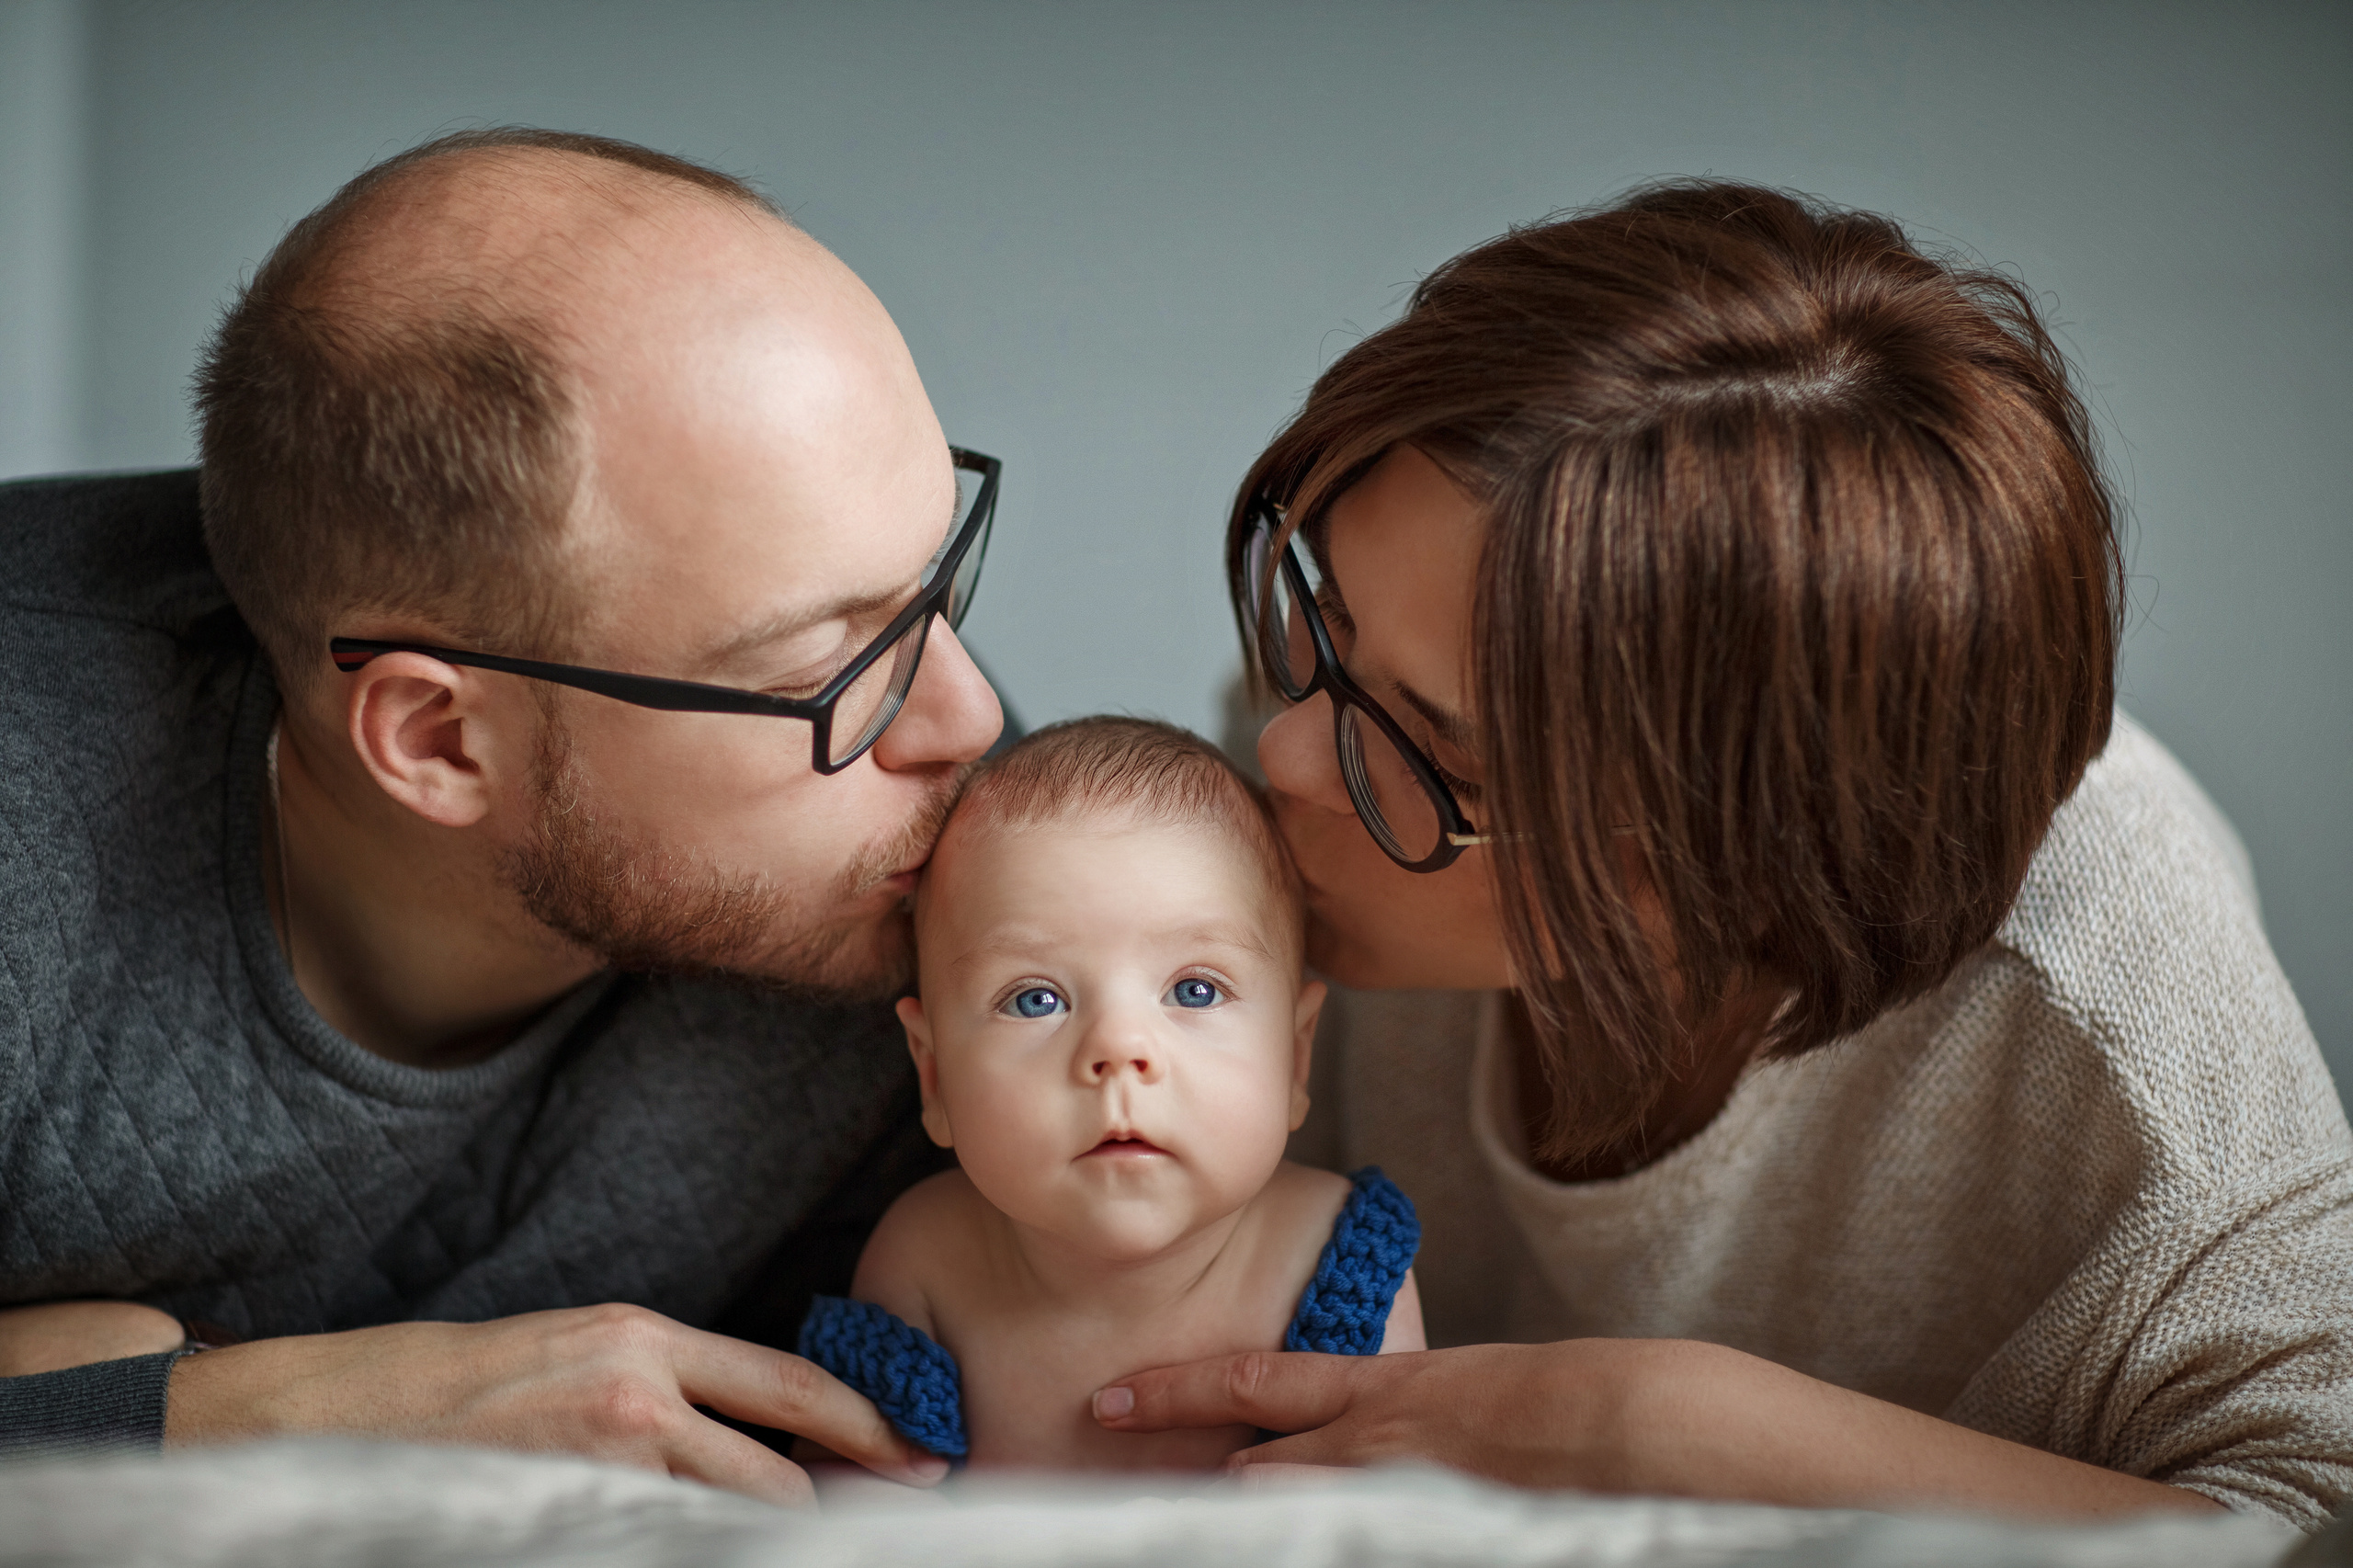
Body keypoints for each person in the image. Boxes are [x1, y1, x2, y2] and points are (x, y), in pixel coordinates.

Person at [1088, 181, 2353, 1530]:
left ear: (1751, 864)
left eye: (1446, 759)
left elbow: (2311, 1513)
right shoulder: (1325, 721)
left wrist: (1667, 1427)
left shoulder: (2122, 1030)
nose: (1278, 753)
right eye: (1322, 614)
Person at [0, 127, 1005, 1503]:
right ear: (437, 738)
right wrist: (252, 1412)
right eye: (830, 664)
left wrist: (75, 1388)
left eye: (934, 585)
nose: (971, 722)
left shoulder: (906, 881)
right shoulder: (32, 809)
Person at [797, 717, 1423, 1471]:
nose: (1119, 1050)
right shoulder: (925, 1261)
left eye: (1195, 989)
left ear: (1294, 1058)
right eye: (1036, 999)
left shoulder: (1339, 1256)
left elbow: (1395, 1511)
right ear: (933, 1076)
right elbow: (848, 1517)